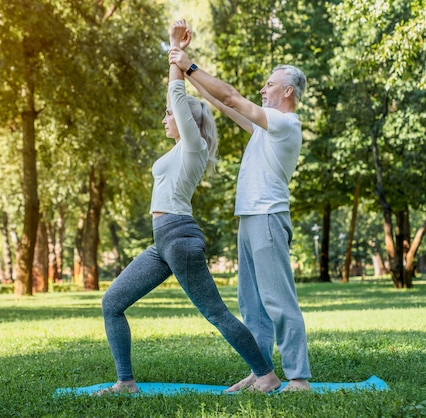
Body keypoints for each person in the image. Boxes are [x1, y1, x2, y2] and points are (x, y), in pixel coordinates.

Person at [93, 20, 282, 396]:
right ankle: (125, 382)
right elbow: (175, 100)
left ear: (186, 122)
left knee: (215, 313)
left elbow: (177, 94)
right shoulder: (177, 152)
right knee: (112, 302)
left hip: (180, 238)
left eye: (168, 115)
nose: (164, 119)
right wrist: (174, 52)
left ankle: (266, 375)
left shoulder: (192, 146)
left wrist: (174, 53)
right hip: (162, 241)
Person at [168, 19, 312, 392]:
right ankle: (262, 373)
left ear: (288, 91)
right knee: (252, 306)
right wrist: (184, 62)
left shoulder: (285, 123)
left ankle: (299, 378)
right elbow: (220, 101)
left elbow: (232, 96)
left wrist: (189, 65)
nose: (262, 88)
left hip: (267, 216)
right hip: (250, 218)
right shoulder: (265, 127)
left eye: (269, 84)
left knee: (278, 301)